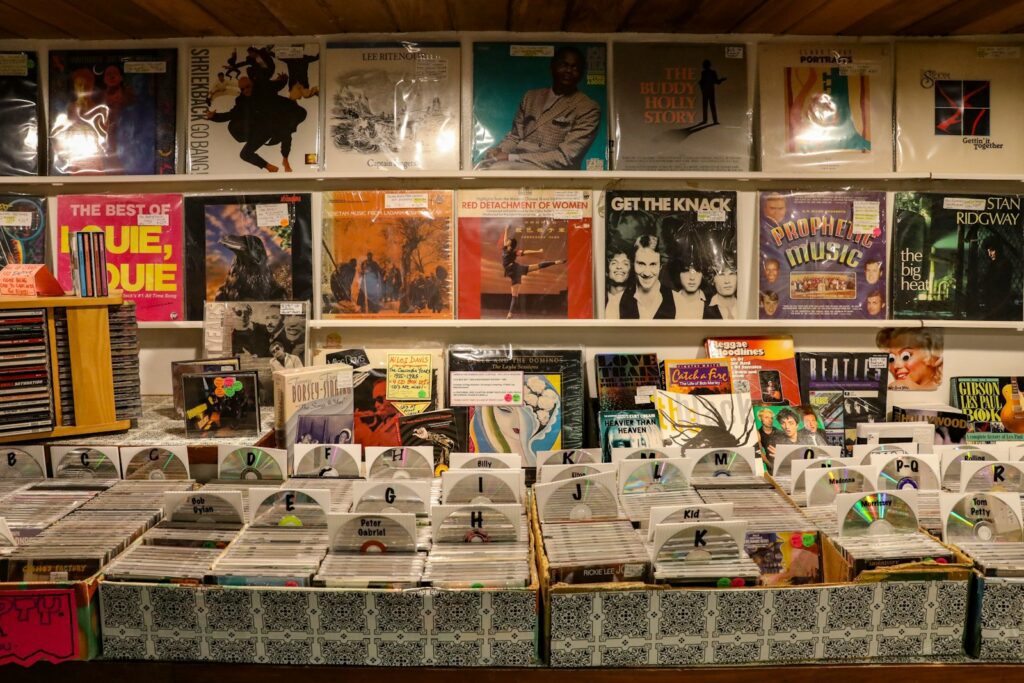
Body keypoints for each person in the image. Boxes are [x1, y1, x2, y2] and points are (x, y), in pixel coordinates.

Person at [479, 46, 600, 170]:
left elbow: (565, 157)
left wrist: (510, 157)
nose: (569, 70)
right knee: (482, 166)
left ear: (581, 73)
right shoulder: (530, 97)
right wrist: (498, 151)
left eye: (575, 67)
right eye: (564, 65)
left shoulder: (588, 108)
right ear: (552, 67)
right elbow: (515, 137)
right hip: (517, 163)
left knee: (496, 170)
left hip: (553, 170)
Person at [500, 225, 566, 319]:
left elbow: (526, 252)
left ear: (510, 244)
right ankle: (510, 313)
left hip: (516, 270)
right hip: (514, 272)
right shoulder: (505, 249)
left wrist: (538, 251)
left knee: (536, 267)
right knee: (514, 295)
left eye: (508, 241)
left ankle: (555, 262)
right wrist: (506, 229)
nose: (506, 241)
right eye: (507, 241)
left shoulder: (514, 252)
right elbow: (505, 239)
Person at [618, 234, 684, 319]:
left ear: (660, 266)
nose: (647, 273)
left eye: (653, 264)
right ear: (633, 264)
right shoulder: (617, 301)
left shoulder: (678, 302)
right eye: (641, 264)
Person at [876, 327, 943, 391]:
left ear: (933, 358)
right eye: (891, 359)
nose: (896, 366)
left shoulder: (898, 385)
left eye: (906, 357)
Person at [977, 235, 1017, 319]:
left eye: (992, 250)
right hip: (992, 301)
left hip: (999, 302)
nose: (989, 254)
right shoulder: (993, 265)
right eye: (988, 251)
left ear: (998, 249)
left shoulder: (1004, 264)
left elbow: (996, 283)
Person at [604, 249, 632, 319]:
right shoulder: (599, 299)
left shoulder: (636, 302)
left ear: (630, 270)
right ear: (607, 270)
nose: (619, 267)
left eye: (625, 264)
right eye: (614, 263)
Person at [699, 59, 726, 125]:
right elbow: (717, 82)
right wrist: (722, 80)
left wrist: (701, 88)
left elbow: (702, 82)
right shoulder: (712, 72)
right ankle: (714, 120)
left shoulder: (703, 73)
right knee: (712, 105)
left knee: (705, 105)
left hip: (705, 91)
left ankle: (705, 120)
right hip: (710, 91)